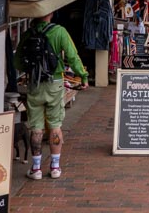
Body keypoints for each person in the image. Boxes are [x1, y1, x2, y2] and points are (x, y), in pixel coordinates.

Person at [14, 12, 89, 180]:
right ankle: (55, 167)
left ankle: (36, 168)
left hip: (34, 84)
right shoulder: (59, 31)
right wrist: (83, 76)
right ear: (51, 13)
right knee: (55, 124)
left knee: (36, 127)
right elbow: (72, 56)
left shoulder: (27, 33)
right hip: (55, 83)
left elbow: (17, 62)